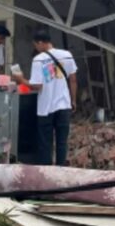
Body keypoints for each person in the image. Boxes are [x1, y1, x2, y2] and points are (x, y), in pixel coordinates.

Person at [13, 31, 78, 166]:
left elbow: (36, 86)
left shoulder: (39, 59)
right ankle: (61, 171)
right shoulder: (66, 55)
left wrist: (21, 80)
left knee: (45, 143)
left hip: (46, 108)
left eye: (35, 45)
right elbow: (73, 80)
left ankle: (46, 171)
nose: (35, 48)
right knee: (61, 142)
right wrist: (73, 100)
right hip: (64, 105)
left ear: (40, 43)